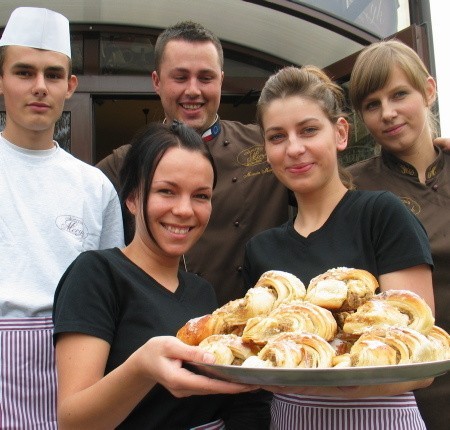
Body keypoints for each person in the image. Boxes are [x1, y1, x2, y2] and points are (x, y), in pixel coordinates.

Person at [243, 65, 435, 429]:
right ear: (266, 150)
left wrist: (341, 382)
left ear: (341, 133)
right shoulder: (261, 251)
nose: (294, 148)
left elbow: (420, 362)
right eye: (277, 136)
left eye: (309, 130)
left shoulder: (382, 215)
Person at [53, 121, 268, 429]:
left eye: (201, 196)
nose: (184, 210)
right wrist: (142, 368)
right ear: (131, 198)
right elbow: (73, 421)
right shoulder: (97, 275)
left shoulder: (202, 292)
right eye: (166, 191)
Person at [96, 21, 291, 306]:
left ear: (221, 81)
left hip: (256, 325)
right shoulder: (124, 161)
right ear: (157, 81)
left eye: (205, 78)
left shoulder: (267, 145)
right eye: (180, 77)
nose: (193, 90)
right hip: (163, 323)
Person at [0, 6, 124, 429]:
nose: (39, 87)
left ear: (70, 85)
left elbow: (111, 293)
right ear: (0, 80)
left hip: (76, 361)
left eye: (53, 75)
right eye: (23, 72)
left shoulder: (94, 187)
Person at [347, 39, 450, 430]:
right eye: (372, 105)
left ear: (429, 91)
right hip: (403, 391)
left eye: (399, 95)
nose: (387, 113)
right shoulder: (353, 188)